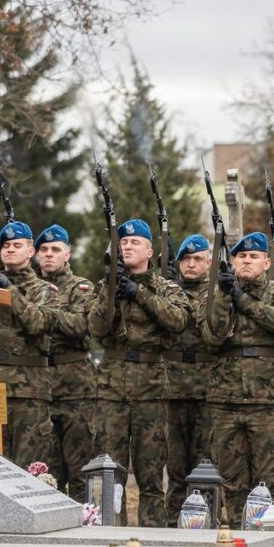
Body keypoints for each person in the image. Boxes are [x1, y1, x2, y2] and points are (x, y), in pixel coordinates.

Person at [88, 218, 191, 527]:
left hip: (150, 389)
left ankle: (152, 537)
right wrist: (113, 295)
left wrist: (137, 293)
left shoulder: (165, 287)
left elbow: (178, 320)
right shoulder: (106, 287)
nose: (127, 246)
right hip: (112, 388)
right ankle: (109, 532)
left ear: (149, 250)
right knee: (110, 471)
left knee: (150, 474)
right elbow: (95, 328)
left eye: (135, 242)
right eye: (123, 242)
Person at [201, 232, 274, 528]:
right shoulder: (217, 293)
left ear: (266, 262)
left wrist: (243, 300)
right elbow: (211, 336)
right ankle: (237, 536)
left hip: (268, 403)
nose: (247, 261)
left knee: (270, 480)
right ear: (233, 261)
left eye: (253, 256)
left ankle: (270, 540)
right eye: (241, 257)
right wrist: (223, 297)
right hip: (227, 401)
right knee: (232, 480)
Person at [0, 221, 58, 468]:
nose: (10, 250)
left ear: (31, 252)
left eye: (17, 245)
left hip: (29, 392)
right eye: (6, 246)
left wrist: (10, 293)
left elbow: (39, 324)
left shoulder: (45, 290)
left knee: (29, 468)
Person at [36, 224, 95, 501]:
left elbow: (79, 325)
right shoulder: (30, 288)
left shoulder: (80, 287)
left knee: (78, 468)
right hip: (40, 386)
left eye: (55, 249)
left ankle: (86, 523)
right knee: (46, 470)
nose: (49, 254)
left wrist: (43, 312)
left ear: (67, 254)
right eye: (43, 250)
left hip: (75, 389)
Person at [162, 234, 218, 524]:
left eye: (198, 259)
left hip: (207, 389)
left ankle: (204, 522)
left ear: (209, 262)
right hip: (172, 388)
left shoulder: (217, 294)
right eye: (186, 259)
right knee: (175, 467)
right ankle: (173, 523)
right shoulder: (167, 292)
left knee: (205, 464)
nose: (192, 264)